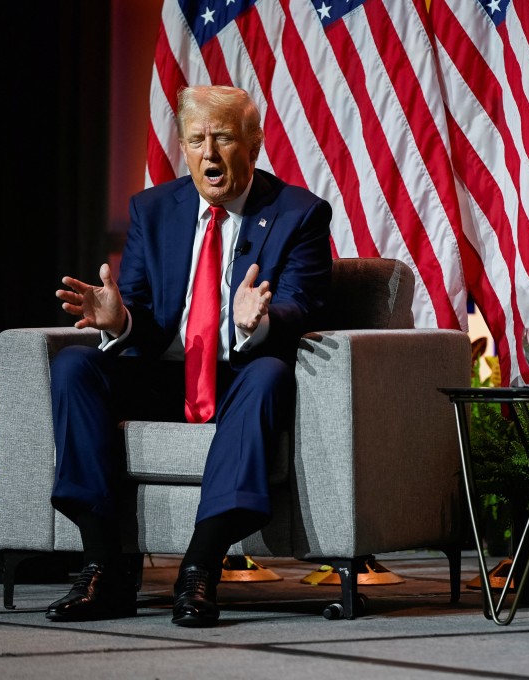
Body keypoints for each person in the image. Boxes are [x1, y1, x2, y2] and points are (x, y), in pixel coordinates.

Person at [46, 85, 332, 627]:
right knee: (75, 365)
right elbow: (145, 316)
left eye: (224, 137)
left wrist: (260, 319)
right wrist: (120, 321)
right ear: (182, 144)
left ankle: (200, 569)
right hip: (164, 376)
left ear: (254, 143)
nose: (210, 153)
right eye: (197, 139)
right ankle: (102, 569)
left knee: (269, 374)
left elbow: (304, 305)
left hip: (239, 376)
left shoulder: (299, 214)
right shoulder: (153, 210)